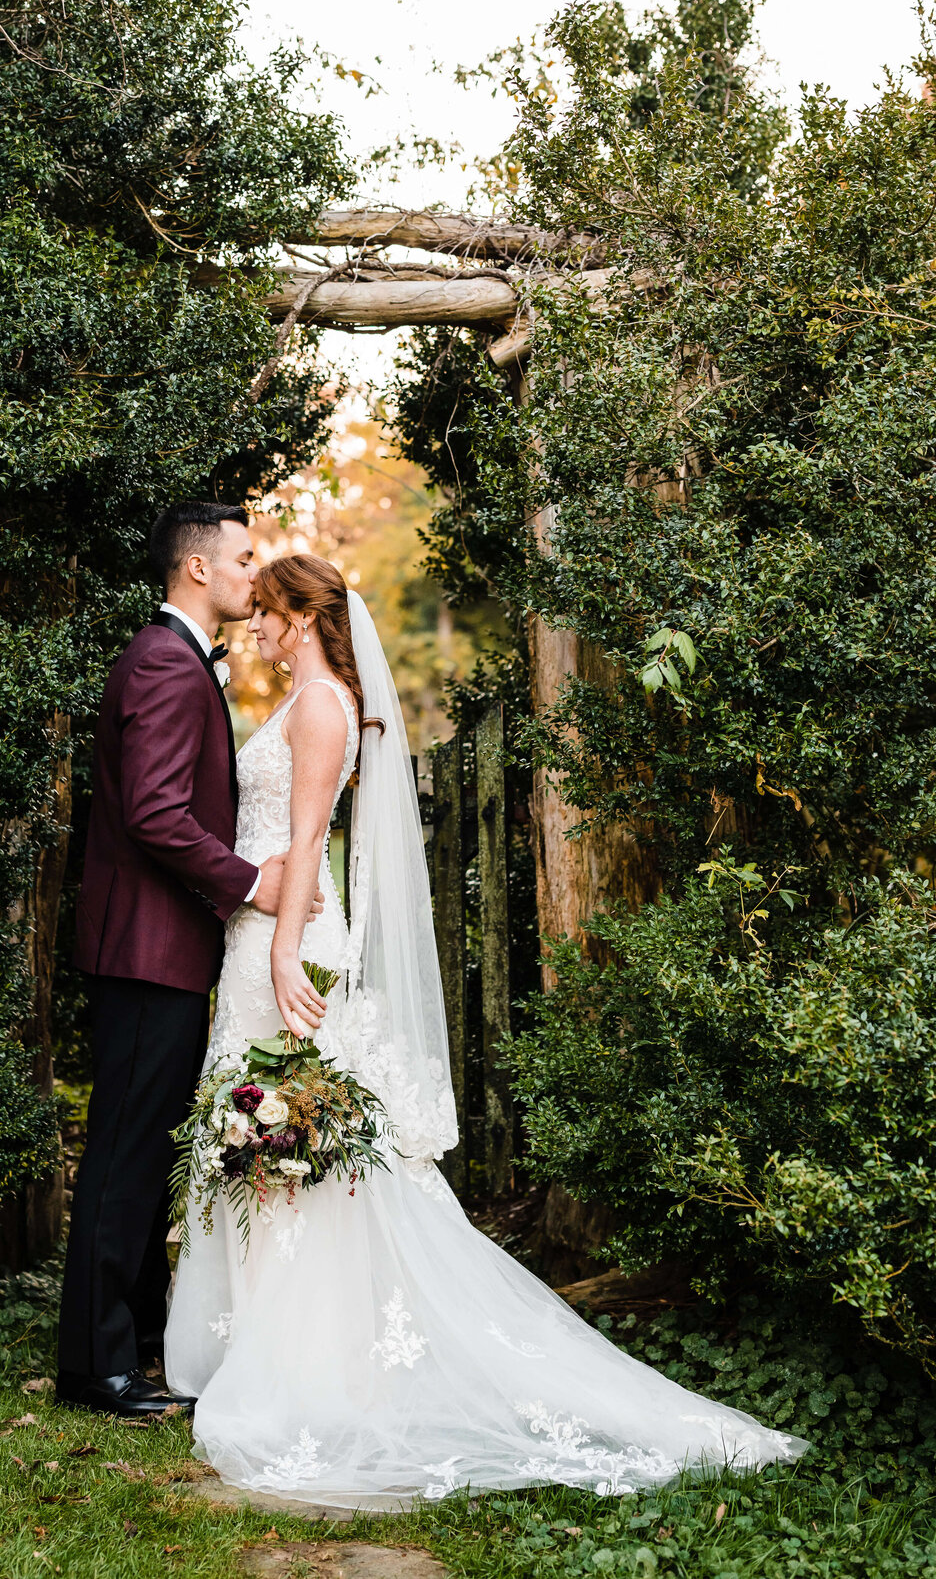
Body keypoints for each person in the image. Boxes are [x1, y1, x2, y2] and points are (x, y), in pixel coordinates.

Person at [164, 552, 809, 1506]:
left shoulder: (320, 707)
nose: (252, 628)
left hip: (283, 939)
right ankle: (275, 1347)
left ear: (300, 617)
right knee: (283, 1151)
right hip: (265, 933)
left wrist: (286, 952)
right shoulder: (319, 700)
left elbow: (304, 842)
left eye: (263, 613)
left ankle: (305, 1369)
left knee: (291, 1150)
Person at [56, 503, 322, 1419]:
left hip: (160, 949)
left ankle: (127, 1350)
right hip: (144, 951)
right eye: (245, 559)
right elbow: (158, 815)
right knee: (125, 1158)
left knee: (139, 1152)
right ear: (199, 571)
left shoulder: (174, 658)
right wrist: (255, 883)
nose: (258, 573)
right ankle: (97, 1371)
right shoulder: (167, 663)